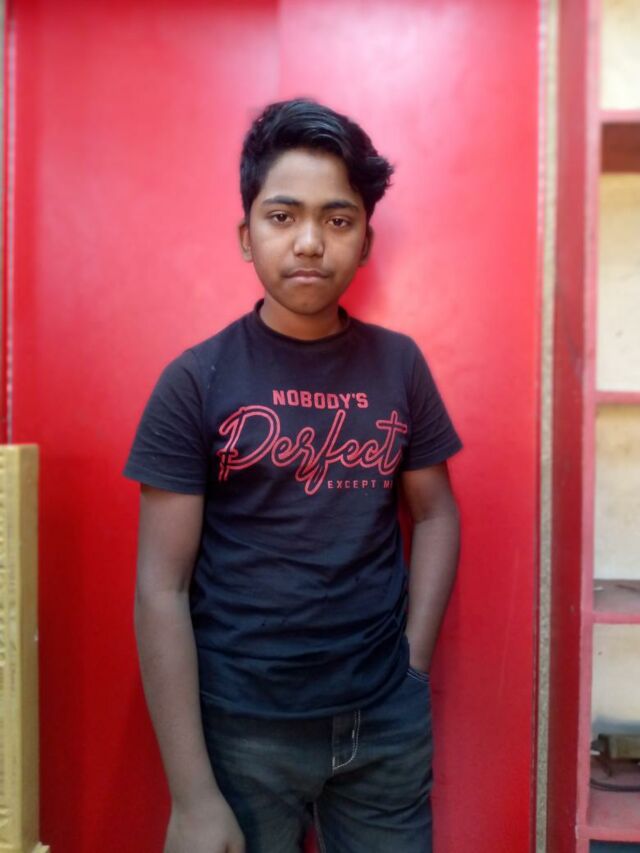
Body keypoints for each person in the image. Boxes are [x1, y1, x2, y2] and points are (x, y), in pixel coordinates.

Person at [124, 98, 463, 853]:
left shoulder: (399, 365)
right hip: (242, 729)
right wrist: (191, 796)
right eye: (283, 217)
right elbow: (161, 587)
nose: (310, 242)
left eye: (337, 220)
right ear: (247, 236)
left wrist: (412, 663)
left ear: (366, 240)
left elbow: (436, 512)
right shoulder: (196, 381)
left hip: (384, 723)